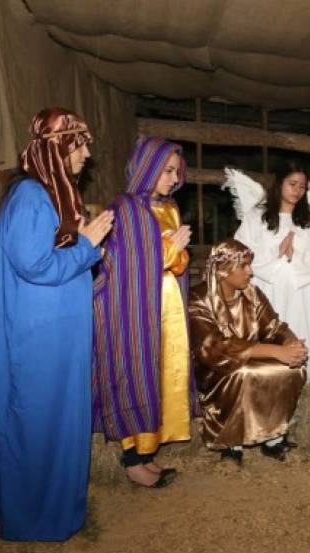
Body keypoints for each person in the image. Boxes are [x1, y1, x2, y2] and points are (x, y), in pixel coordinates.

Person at [0, 108, 114, 541]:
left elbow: (54, 255)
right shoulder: (32, 197)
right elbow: (35, 264)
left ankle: (52, 508)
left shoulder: (53, 194)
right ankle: (32, 516)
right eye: (79, 144)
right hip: (38, 334)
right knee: (36, 420)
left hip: (56, 330)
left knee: (54, 419)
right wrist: (88, 246)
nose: (87, 154)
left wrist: (88, 248)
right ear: (58, 147)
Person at [92, 136, 196, 488]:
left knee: (160, 373)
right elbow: (127, 265)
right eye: (167, 171)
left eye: (176, 172)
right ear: (147, 168)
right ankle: (132, 458)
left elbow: (177, 264)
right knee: (134, 369)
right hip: (134, 308)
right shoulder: (126, 209)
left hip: (167, 306)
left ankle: (148, 452)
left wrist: (176, 254)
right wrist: (170, 249)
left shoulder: (168, 208)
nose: (173, 179)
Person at [188, 239, 308, 466]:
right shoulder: (198, 298)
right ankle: (232, 444)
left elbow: (274, 327)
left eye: (249, 265)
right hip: (217, 369)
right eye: (243, 266)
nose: (250, 272)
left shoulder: (251, 293)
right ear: (223, 271)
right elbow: (213, 347)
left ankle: (272, 437)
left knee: (293, 369)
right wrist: (274, 351)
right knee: (243, 374)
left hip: (251, 358)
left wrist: (292, 345)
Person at [230, 162, 310, 381]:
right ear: (280, 183)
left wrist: (295, 258)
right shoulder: (257, 216)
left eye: (302, 186)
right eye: (293, 184)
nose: (297, 191)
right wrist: (275, 253)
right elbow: (239, 249)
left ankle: (301, 374)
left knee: (299, 329)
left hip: (300, 289)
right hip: (266, 288)